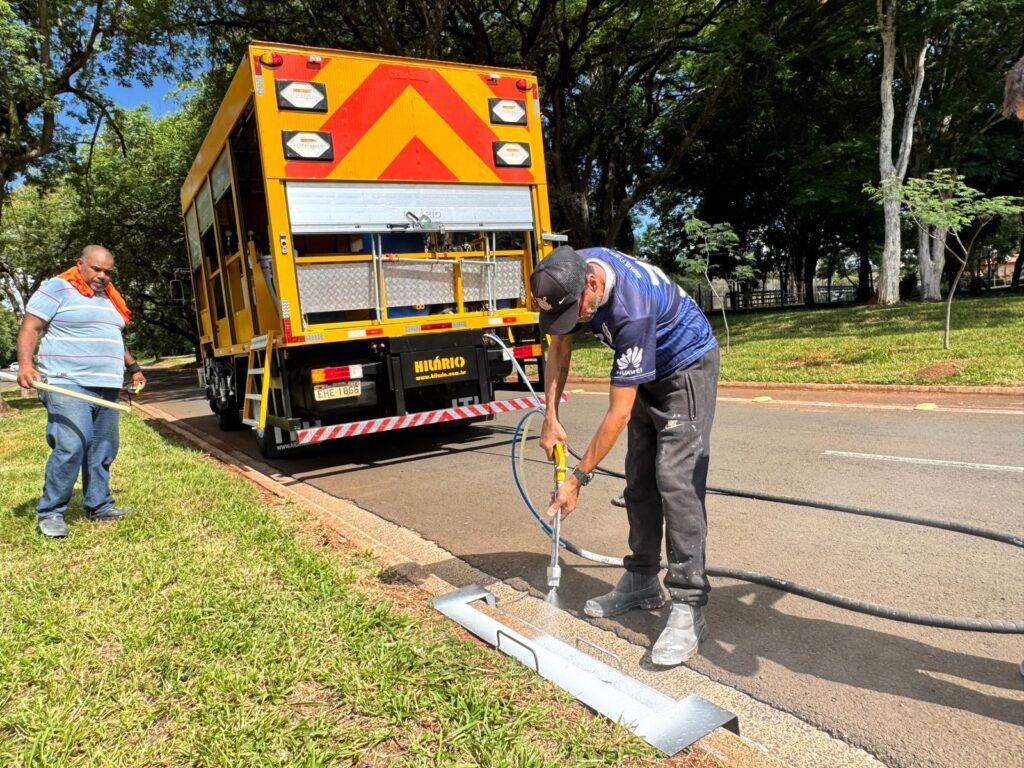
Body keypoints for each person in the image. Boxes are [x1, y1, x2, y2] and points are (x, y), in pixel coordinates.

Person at [533, 245, 719, 666]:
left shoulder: (630, 311)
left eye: (576, 312)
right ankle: (641, 578)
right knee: (639, 476)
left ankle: (689, 605)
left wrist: (577, 480)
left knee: (675, 480)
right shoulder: (567, 273)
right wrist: (550, 416)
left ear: (593, 285)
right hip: (648, 365)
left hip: (684, 368)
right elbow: (559, 349)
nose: (573, 323)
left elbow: (616, 414)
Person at [17, 245, 146, 538]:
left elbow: (111, 336)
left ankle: (99, 505)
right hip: (66, 382)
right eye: (96, 269)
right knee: (73, 444)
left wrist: (134, 368)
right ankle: (50, 512)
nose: (102, 276)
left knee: (103, 447)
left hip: (107, 385)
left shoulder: (109, 299)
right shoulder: (57, 288)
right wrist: (25, 364)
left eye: (108, 272)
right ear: (80, 264)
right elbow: (30, 327)